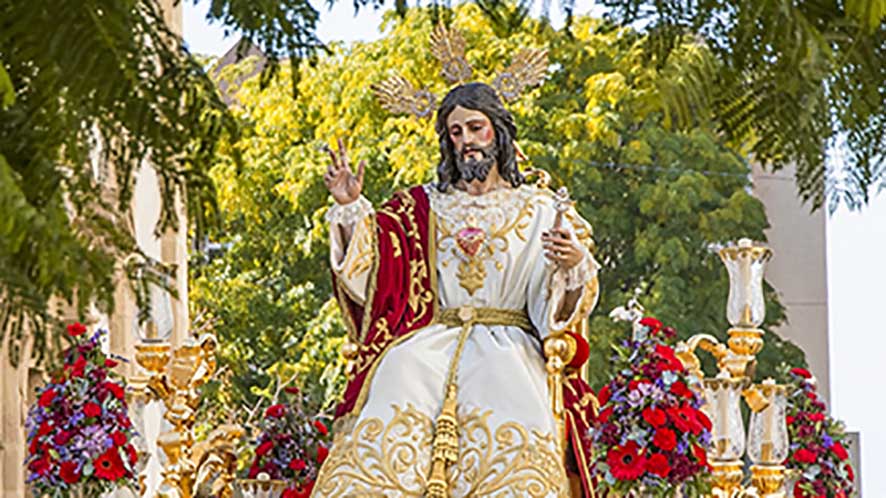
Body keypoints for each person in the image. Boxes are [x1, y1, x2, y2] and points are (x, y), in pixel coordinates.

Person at [313, 82, 600, 497]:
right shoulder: (421, 205)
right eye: (456, 132)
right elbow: (376, 270)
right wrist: (349, 209)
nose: (467, 141)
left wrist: (571, 264)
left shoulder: (539, 208)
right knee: (398, 372)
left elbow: (551, 309)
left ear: (498, 131)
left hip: (508, 345)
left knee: (509, 399)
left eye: (476, 128)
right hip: (430, 339)